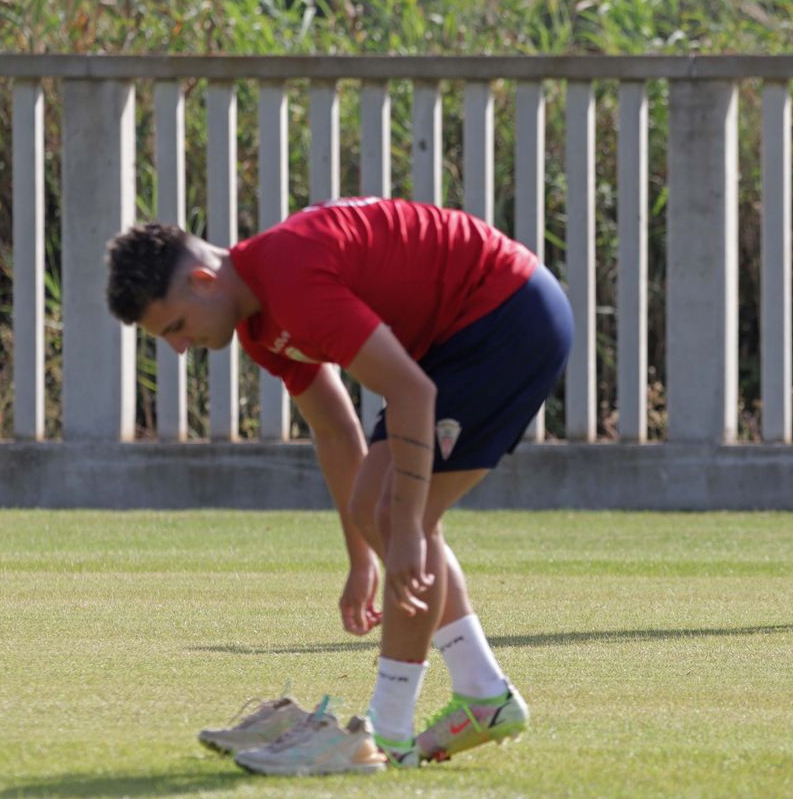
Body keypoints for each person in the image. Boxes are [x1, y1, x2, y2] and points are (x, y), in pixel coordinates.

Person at [105, 196, 572, 773]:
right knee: (379, 511)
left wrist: (403, 530)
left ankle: (389, 733)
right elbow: (333, 430)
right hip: (462, 335)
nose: (179, 347)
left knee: (399, 515)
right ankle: (483, 693)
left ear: (203, 281)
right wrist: (363, 558)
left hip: (507, 314)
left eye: (175, 326)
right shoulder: (258, 327)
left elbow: (412, 395)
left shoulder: (291, 278)